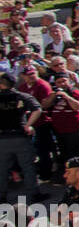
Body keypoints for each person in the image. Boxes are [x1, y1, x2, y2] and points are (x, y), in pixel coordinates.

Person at [0, 71, 42, 201]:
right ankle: (34, 195)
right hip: (20, 136)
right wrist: (28, 125)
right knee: (28, 167)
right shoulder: (22, 96)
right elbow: (37, 108)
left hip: (2, 139)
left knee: (2, 169)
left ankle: (1, 197)